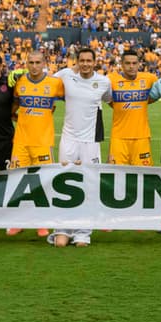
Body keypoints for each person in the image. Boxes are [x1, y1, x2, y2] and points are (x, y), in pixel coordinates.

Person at [50, 46, 111, 248]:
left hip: (91, 141)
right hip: (68, 138)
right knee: (63, 182)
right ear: (76, 61)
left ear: (95, 62)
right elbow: (46, 81)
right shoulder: (66, 75)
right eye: (81, 60)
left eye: (89, 61)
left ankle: (83, 231)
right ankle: (62, 229)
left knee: (89, 184)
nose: (85, 64)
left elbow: (109, 100)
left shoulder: (103, 82)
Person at [9, 49, 64, 238]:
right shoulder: (20, 82)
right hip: (21, 141)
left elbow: (71, 99)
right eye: (30, 62)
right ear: (26, 64)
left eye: (37, 62)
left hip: (42, 141)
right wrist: (14, 115)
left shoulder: (55, 84)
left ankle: (42, 223)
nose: (34, 66)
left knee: (42, 183)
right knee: (18, 182)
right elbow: (14, 105)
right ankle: (19, 222)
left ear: (44, 63)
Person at [106, 48, 159, 166]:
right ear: (122, 64)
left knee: (143, 175)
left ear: (139, 64)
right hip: (118, 137)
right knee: (115, 174)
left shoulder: (149, 78)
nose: (131, 66)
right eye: (128, 63)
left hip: (142, 137)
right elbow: (109, 101)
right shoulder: (111, 79)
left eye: (134, 63)